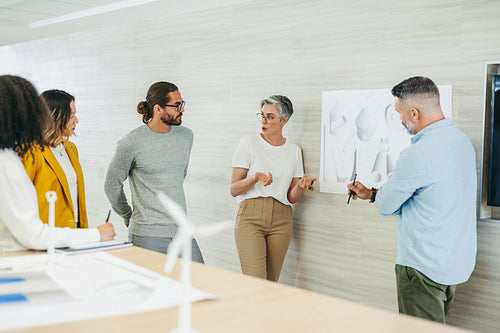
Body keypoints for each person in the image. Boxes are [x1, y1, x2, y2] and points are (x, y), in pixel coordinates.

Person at [347, 76, 477, 323]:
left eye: (400, 113)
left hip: (423, 270)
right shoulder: (461, 143)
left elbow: (386, 207)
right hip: (455, 265)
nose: (400, 119)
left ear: (414, 112)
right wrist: (372, 193)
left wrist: (380, 196)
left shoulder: (418, 154)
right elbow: (431, 196)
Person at [0, 75, 115, 251]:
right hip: (41, 242)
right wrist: (96, 234)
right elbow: (32, 233)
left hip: (64, 235)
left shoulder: (70, 149)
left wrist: (85, 234)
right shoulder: (15, 158)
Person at [104, 81, 204, 263]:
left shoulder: (186, 136)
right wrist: (127, 215)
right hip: (147, 234)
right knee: (153, 289)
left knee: (199, 284)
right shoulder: (131, 142)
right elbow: (112, 184)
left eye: (182, 104)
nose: (182, 110)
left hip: (181, 230)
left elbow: (178, 176)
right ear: (158, 109)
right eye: (176, 106)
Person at [230, 95, 316, 281]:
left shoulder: (294, 150)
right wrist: (254, 178)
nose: (263, 121)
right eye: (262, 115)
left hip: (282, 219)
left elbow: (292, 197)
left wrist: (301, 186)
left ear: (284, 120)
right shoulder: (248, 144)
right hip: (250, 217)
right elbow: (234, 189)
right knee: (256, 282)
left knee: (271, 283)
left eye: (270, 117)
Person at [22, 89, 88, 229]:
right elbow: (20, 201)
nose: (76, 121)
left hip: (75, 227)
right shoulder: (30, 152)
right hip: (47, 233)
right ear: (55, 118)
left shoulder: (70, 148)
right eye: (71, 116)